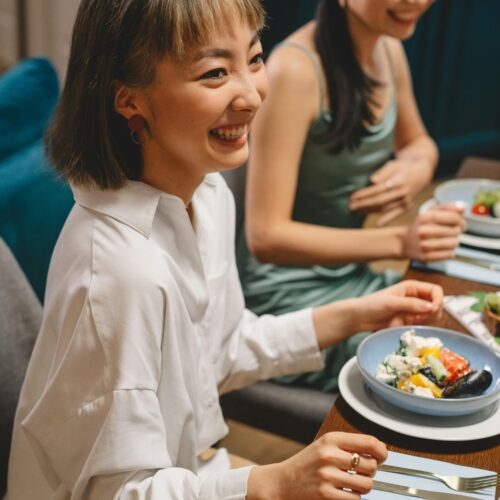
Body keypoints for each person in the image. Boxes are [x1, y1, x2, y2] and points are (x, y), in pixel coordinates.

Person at [7, 1, 444, 498]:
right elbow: (120, 491)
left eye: (254, 59)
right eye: (215, 72)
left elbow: (222, 350)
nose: (253, 95)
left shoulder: (208, 194)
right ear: (129, 100)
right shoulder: (120, 273)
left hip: (194, 471)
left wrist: (354, 314)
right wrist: (271, 481)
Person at [239, 0, 465, 392]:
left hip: (355, 279)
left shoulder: (387, 48)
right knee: (446, 362)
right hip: (289, 303)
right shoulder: (294, 70)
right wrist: (400, 239)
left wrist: (418, 166)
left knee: (465, 320)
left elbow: (418, 142)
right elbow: (265, 236)